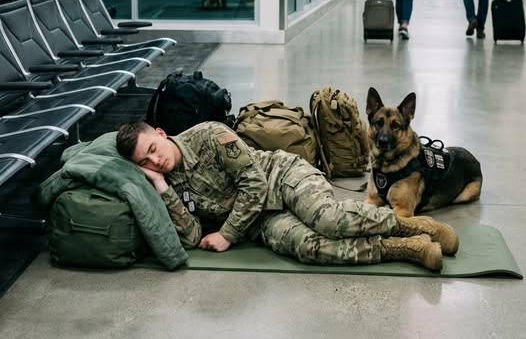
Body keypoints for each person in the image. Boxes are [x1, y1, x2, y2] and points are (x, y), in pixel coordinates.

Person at [115, 120, 460, 272]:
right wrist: (161, 187)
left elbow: (254, 184)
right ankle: (405, 248)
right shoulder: (166, 182)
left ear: (160, 133)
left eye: (153, 149)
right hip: (259, 220)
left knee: (327, 219)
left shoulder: (209, 135)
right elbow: (190, 237)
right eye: (144, 162)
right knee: (310, 247)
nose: (155, 160)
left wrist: (226, 234)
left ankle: (409, 226)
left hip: (281, 178)